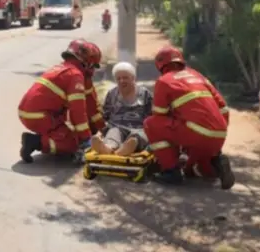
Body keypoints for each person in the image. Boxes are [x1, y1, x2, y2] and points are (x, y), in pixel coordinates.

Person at [143, 46, 235, 189]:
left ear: (160, 65)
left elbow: (159, 114)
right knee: (197, 170)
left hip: (195, 133)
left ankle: (171, 172)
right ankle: (216, 162)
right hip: (219, 133)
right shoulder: (198, 75)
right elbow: (223, 109)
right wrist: (216, 135)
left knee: (151, 124)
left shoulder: (164, 80)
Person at [18, 39, 103, 163]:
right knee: (72, 143)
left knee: (72, 135)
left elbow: (91, 104)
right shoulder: (75, 75)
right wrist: (85, 139)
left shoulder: (63, 68)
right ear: (86, 61)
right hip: (41, 117)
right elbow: (78, 111)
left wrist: (101, 127)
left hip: (29, 113)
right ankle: (35, 142)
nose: (93, 69)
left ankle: (42, 139)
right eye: (93, 65)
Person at [90, 62, 153, 156]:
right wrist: (100, 133)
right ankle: (108, 148)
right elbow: (106, 117)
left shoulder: (145, 94)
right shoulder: (112, 94)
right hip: (118, 126)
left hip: (138, 128)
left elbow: (153, 117)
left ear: (133, 78)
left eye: (125, 78)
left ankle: (127, 148)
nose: (121, 81)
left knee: (137, 137)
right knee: (113, 132)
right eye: (118, 78)